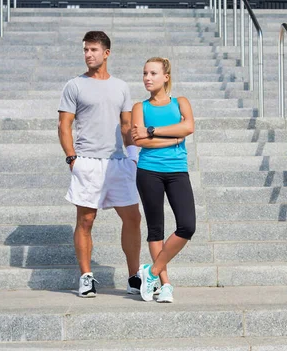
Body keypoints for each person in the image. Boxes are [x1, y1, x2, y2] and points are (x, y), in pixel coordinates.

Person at [58, 31, 142, 298]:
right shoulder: (74, 85)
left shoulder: (121, 86)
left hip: (119, 162)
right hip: (87, 161)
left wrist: (133, 156)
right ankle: (85, 277)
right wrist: (72, 157)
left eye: (93, 50)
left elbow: (127, 125)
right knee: (86, 220)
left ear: (106, 53)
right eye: (85, 50)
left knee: (133, 218)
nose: (88, 54)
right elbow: (64, 125)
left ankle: (133, 277)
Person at [131, 57, 196, 303]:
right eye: (145, 73)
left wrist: (153, 131)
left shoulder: (181, 103)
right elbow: (139, 141)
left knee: (187, 225)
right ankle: (165, 285)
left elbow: (188, 127)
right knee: (155, 228)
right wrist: (173, 137)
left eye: (153, 73)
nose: (148, 78)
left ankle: (152, 271)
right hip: (148, 171)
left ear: (166, 77)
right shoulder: (140, 107)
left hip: (177, 171)